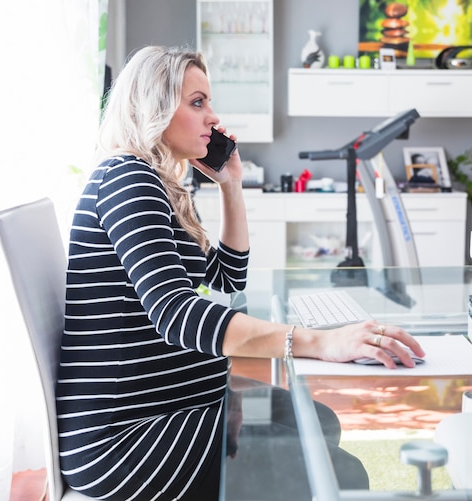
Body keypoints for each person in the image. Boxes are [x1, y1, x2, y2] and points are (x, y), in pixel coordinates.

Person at [57, 45, 425, 500]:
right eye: (197, 102)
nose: (213, 116)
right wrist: (321, 341)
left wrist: (231, 185)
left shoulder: (159, 184)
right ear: (154, 107)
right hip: (124, 439)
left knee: (323, 423)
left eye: (208, 101)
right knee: (340, 471)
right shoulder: (127, 180)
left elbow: (226, 279)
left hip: (175, 402)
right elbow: (179, 315)